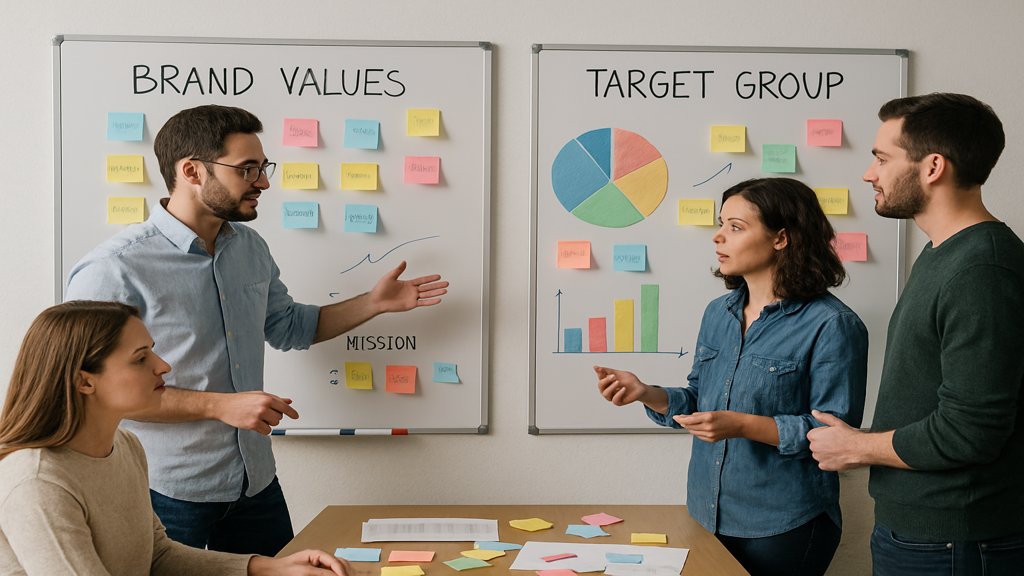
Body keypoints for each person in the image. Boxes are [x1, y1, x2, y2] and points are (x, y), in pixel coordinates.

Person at [64, 105, 449, 555]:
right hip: (165, 491)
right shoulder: (115, 269)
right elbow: (93, 391)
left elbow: (289, 327)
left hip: (254, 483)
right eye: (248, 169)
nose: (264, 182)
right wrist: (220, 406)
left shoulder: (248, 246)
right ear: (191, 171)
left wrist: (373, 303)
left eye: (263, 168)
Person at [595, 177, 868, 576]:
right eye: (720, 225)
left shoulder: (833, 324)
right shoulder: (717, 313)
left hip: (784, 523)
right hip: (707, 512)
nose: (718, 237)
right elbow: (700, 398)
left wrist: (742, 425)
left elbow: (834, 435)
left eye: (736, 227)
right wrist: (646, 393)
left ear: (781, 238)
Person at [807, 93, 1024, 575]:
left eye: (882, 159)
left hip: (955, 542)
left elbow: (971, 432)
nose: (869, 173)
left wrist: (859, 447)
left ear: (932, 167)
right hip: (926, 533)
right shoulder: (943, 254)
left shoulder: (982, 269)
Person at [0, 300, 352, 575]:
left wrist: (269, 567)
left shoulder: (125, 447)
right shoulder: (37, 483)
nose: (162, 365)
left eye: (152, 350)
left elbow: (158, 555)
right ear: (84, 381)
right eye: (141, 359)